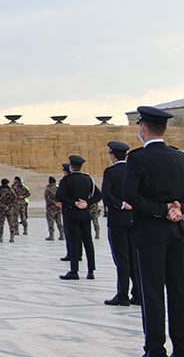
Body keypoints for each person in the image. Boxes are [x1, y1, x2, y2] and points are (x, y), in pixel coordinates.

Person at [122, 106, 184, 357]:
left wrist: (160, 210)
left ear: (143, 128)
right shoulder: (180, 157)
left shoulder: (137, 158)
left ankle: (155, 349)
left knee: (152, 293)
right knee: (179, 292)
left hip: (150, 234)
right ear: (166, 129)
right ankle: (180, 347)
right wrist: (177, 210)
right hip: (178, 231)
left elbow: (130, 195)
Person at [102, 141, 139, 306]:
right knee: (134, 257)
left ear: (113, 155)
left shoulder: (111, 172)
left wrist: (122, 204)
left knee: (122, 258)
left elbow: (106, 194)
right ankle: (138, 294)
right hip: (135, 220)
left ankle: (122, 294)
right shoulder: (134, 170)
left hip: (118, 221)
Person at [57, 155, 101, 280]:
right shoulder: (88, 179)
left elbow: (60, 196)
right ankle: (91, 270)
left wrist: (74, 203)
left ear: (71, 167)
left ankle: (74, 271)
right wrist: (87, 202)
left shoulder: (66, 180)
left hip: (72, 214)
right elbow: (98, 195)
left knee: (74, 242)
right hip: (86, 214)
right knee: (88, 241)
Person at [44, 177, 64, 241]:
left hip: (51, 208)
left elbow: (47, 198)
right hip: (58, 208)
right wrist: (59, 203)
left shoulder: (48, 189)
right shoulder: (58, 188)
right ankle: (62, 235)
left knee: (51, 222)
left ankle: (51, 235)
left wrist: (54, 203)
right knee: (59, 221)